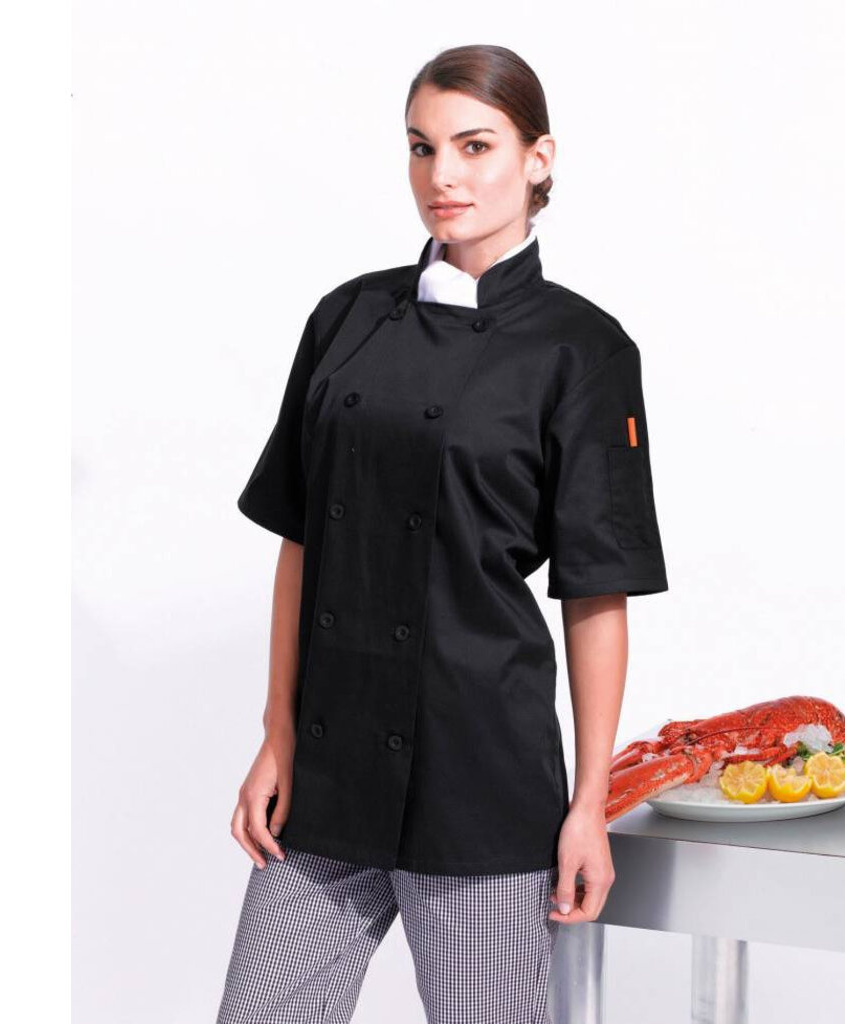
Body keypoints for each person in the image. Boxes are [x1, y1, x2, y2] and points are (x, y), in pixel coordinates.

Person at [216, 43, 668, 1024]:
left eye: (474, 146)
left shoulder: (582, 349)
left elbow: (596, 591)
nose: (443, 176)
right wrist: (277, 733)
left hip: (481, 778)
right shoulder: (347, 317)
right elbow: (301, 541)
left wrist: (587, 804)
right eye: (422, 148)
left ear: (538, 159)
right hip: (329, 773)